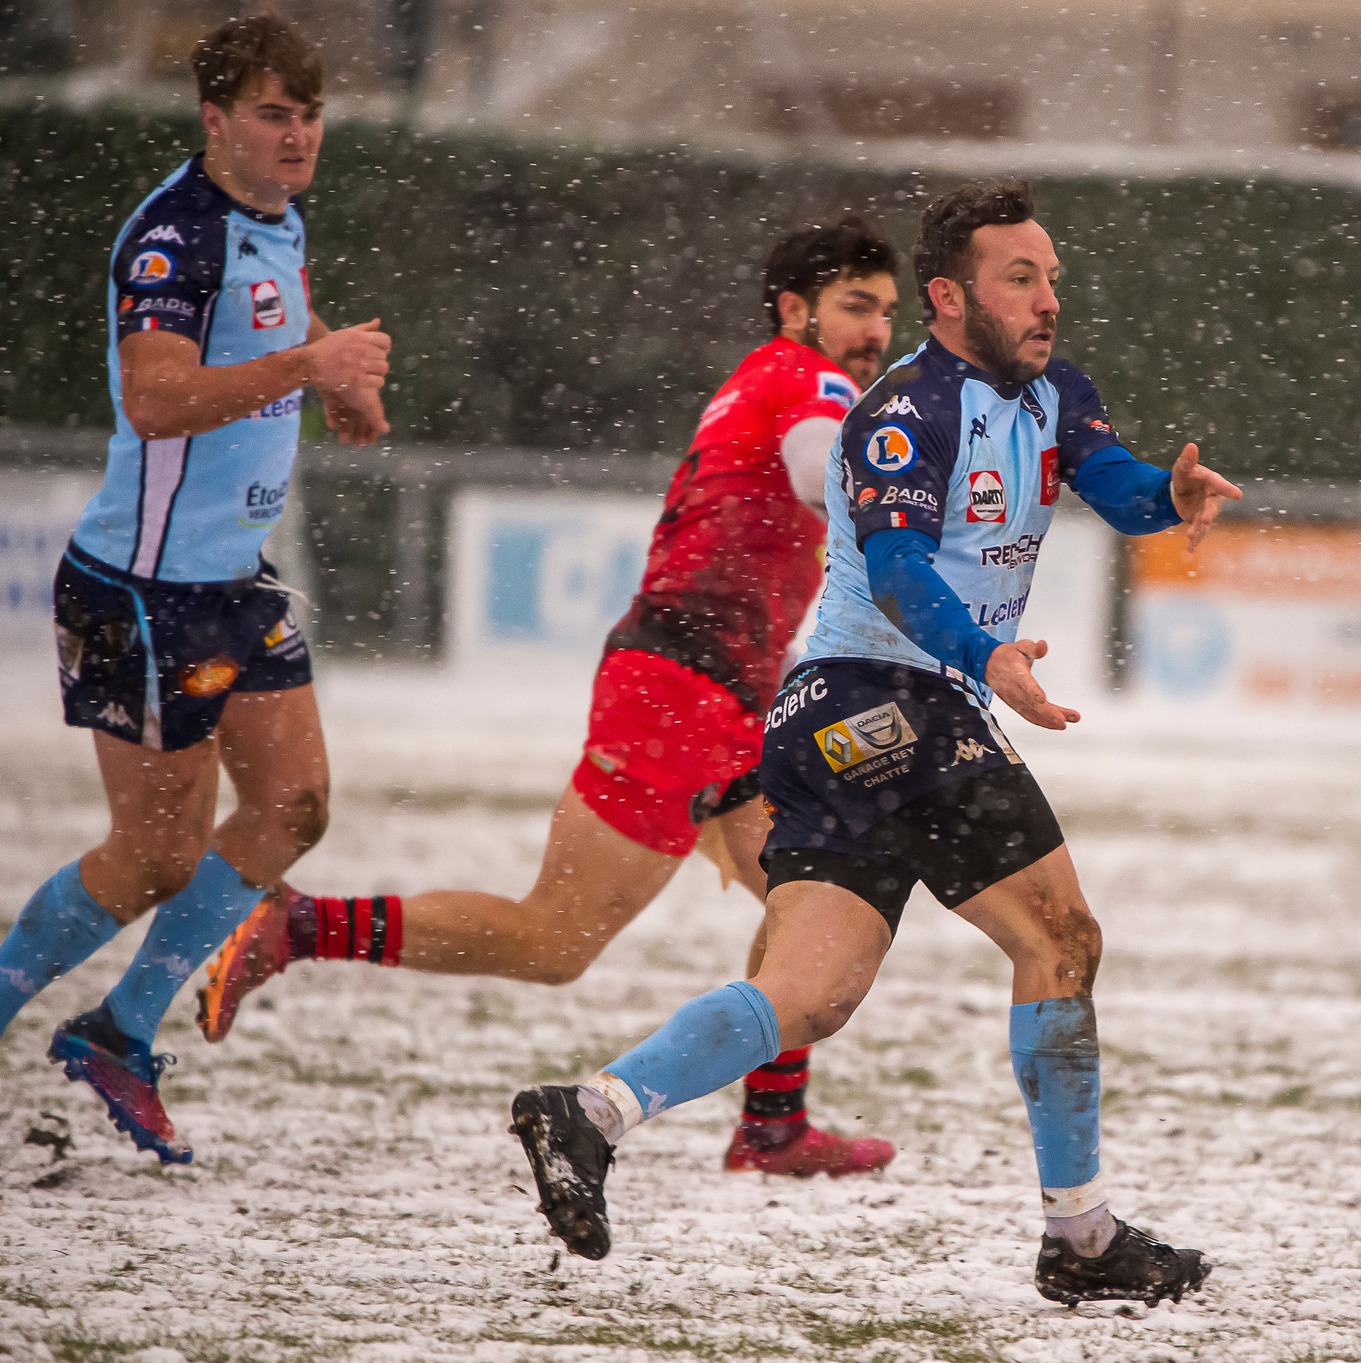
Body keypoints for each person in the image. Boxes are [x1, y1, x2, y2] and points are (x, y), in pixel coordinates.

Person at [505, 177, 1239, 1306]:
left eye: (1052, 278)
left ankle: (591, 1112)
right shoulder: (901, 411)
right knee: (1059, 938)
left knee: (812, 993)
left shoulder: (1055, 393)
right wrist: (983, 656)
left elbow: (1118, 484)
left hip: (835, 720)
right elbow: (897, 574)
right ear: (949, 296)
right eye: (1020, 278)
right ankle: (1081, 1239)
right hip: (883, 696)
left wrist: (1169, 494)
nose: (1048, 299)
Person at [195, 216, 904, 1177]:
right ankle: (300, 924)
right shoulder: (807, 378)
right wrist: (908, 509)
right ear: (796, 310)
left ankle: (772, 1125)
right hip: (680, 692)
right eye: (856, 306)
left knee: (802, 895)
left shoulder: (765, 374)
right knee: (553, 939)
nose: (875, 332)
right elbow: (822, 474)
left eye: (886, 312)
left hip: (721, 695)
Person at [0, 15, 391, 1164]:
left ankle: (121, 1029)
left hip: (232, 583)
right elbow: (158, 398)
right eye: (273, 114)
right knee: (154, 855)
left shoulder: (275, 218)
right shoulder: (173, 237)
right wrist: (308, 367)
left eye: (310, 115)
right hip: (141, 591)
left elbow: (277, 315)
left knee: (295, 809)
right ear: (214, 118)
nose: (297, 135)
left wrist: (330, 380)